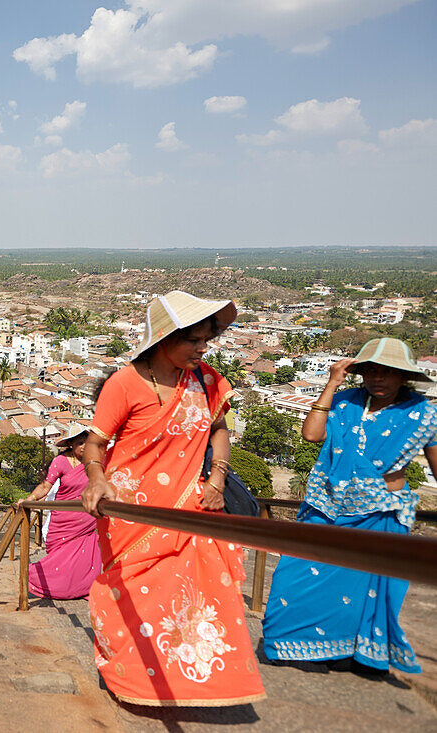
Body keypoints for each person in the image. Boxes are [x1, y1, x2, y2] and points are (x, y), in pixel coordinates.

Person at [81, 290, 265, 707]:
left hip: (188, 505)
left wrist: (216, 479)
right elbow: (95, 445)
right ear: (163, 338)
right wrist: (96, 480)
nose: (203, 349)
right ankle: (130, 678)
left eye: (206, 340)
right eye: (192, 341)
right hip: (130, 512)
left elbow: (219, 430)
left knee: (188, 600)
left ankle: (186, 685)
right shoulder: (125, 383)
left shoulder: (209, 380)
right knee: (128, 596)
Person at [262, 338, 437, 674]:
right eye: (370, 370)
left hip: (379, 513)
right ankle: (288, 645)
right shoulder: (344, 402)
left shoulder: (423, 414)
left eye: (388, 372)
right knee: (294, 573)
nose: (378, 378)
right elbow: (312, 435)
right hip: (325, 506)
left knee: (359, 587)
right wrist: (331, 383)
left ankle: (347, 653)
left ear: (405, 376)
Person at [15, 423, 101, 599]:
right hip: (63, 519)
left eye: (87, 442)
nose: (84, 446)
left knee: (82, 561)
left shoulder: (96, 462)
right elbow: (46, 485)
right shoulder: (61, 461)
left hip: (86, 521)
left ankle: (79, 587)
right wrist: (29, 500)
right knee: (60, 562)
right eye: (80, 443)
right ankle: (35, 579)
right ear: (71, 444)